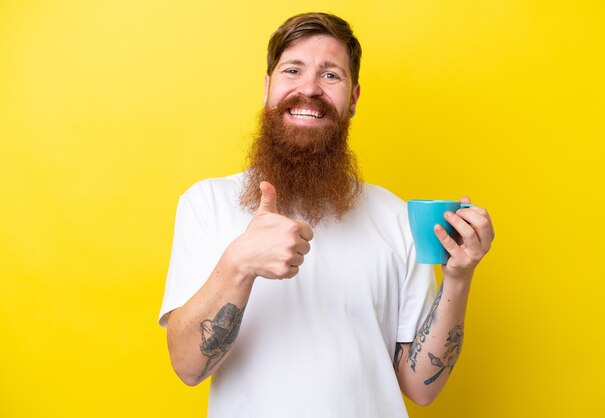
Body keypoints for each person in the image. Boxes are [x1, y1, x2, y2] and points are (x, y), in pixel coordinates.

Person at [158, 12, 494, 418]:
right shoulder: (206, 203)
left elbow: (420, 387)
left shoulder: (394, 216)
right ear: (267, 88)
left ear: (353, 98)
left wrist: (458, 278)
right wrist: (239, 263)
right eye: (293, 70)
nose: (309, 89)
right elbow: (187, 367)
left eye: (330, 75)